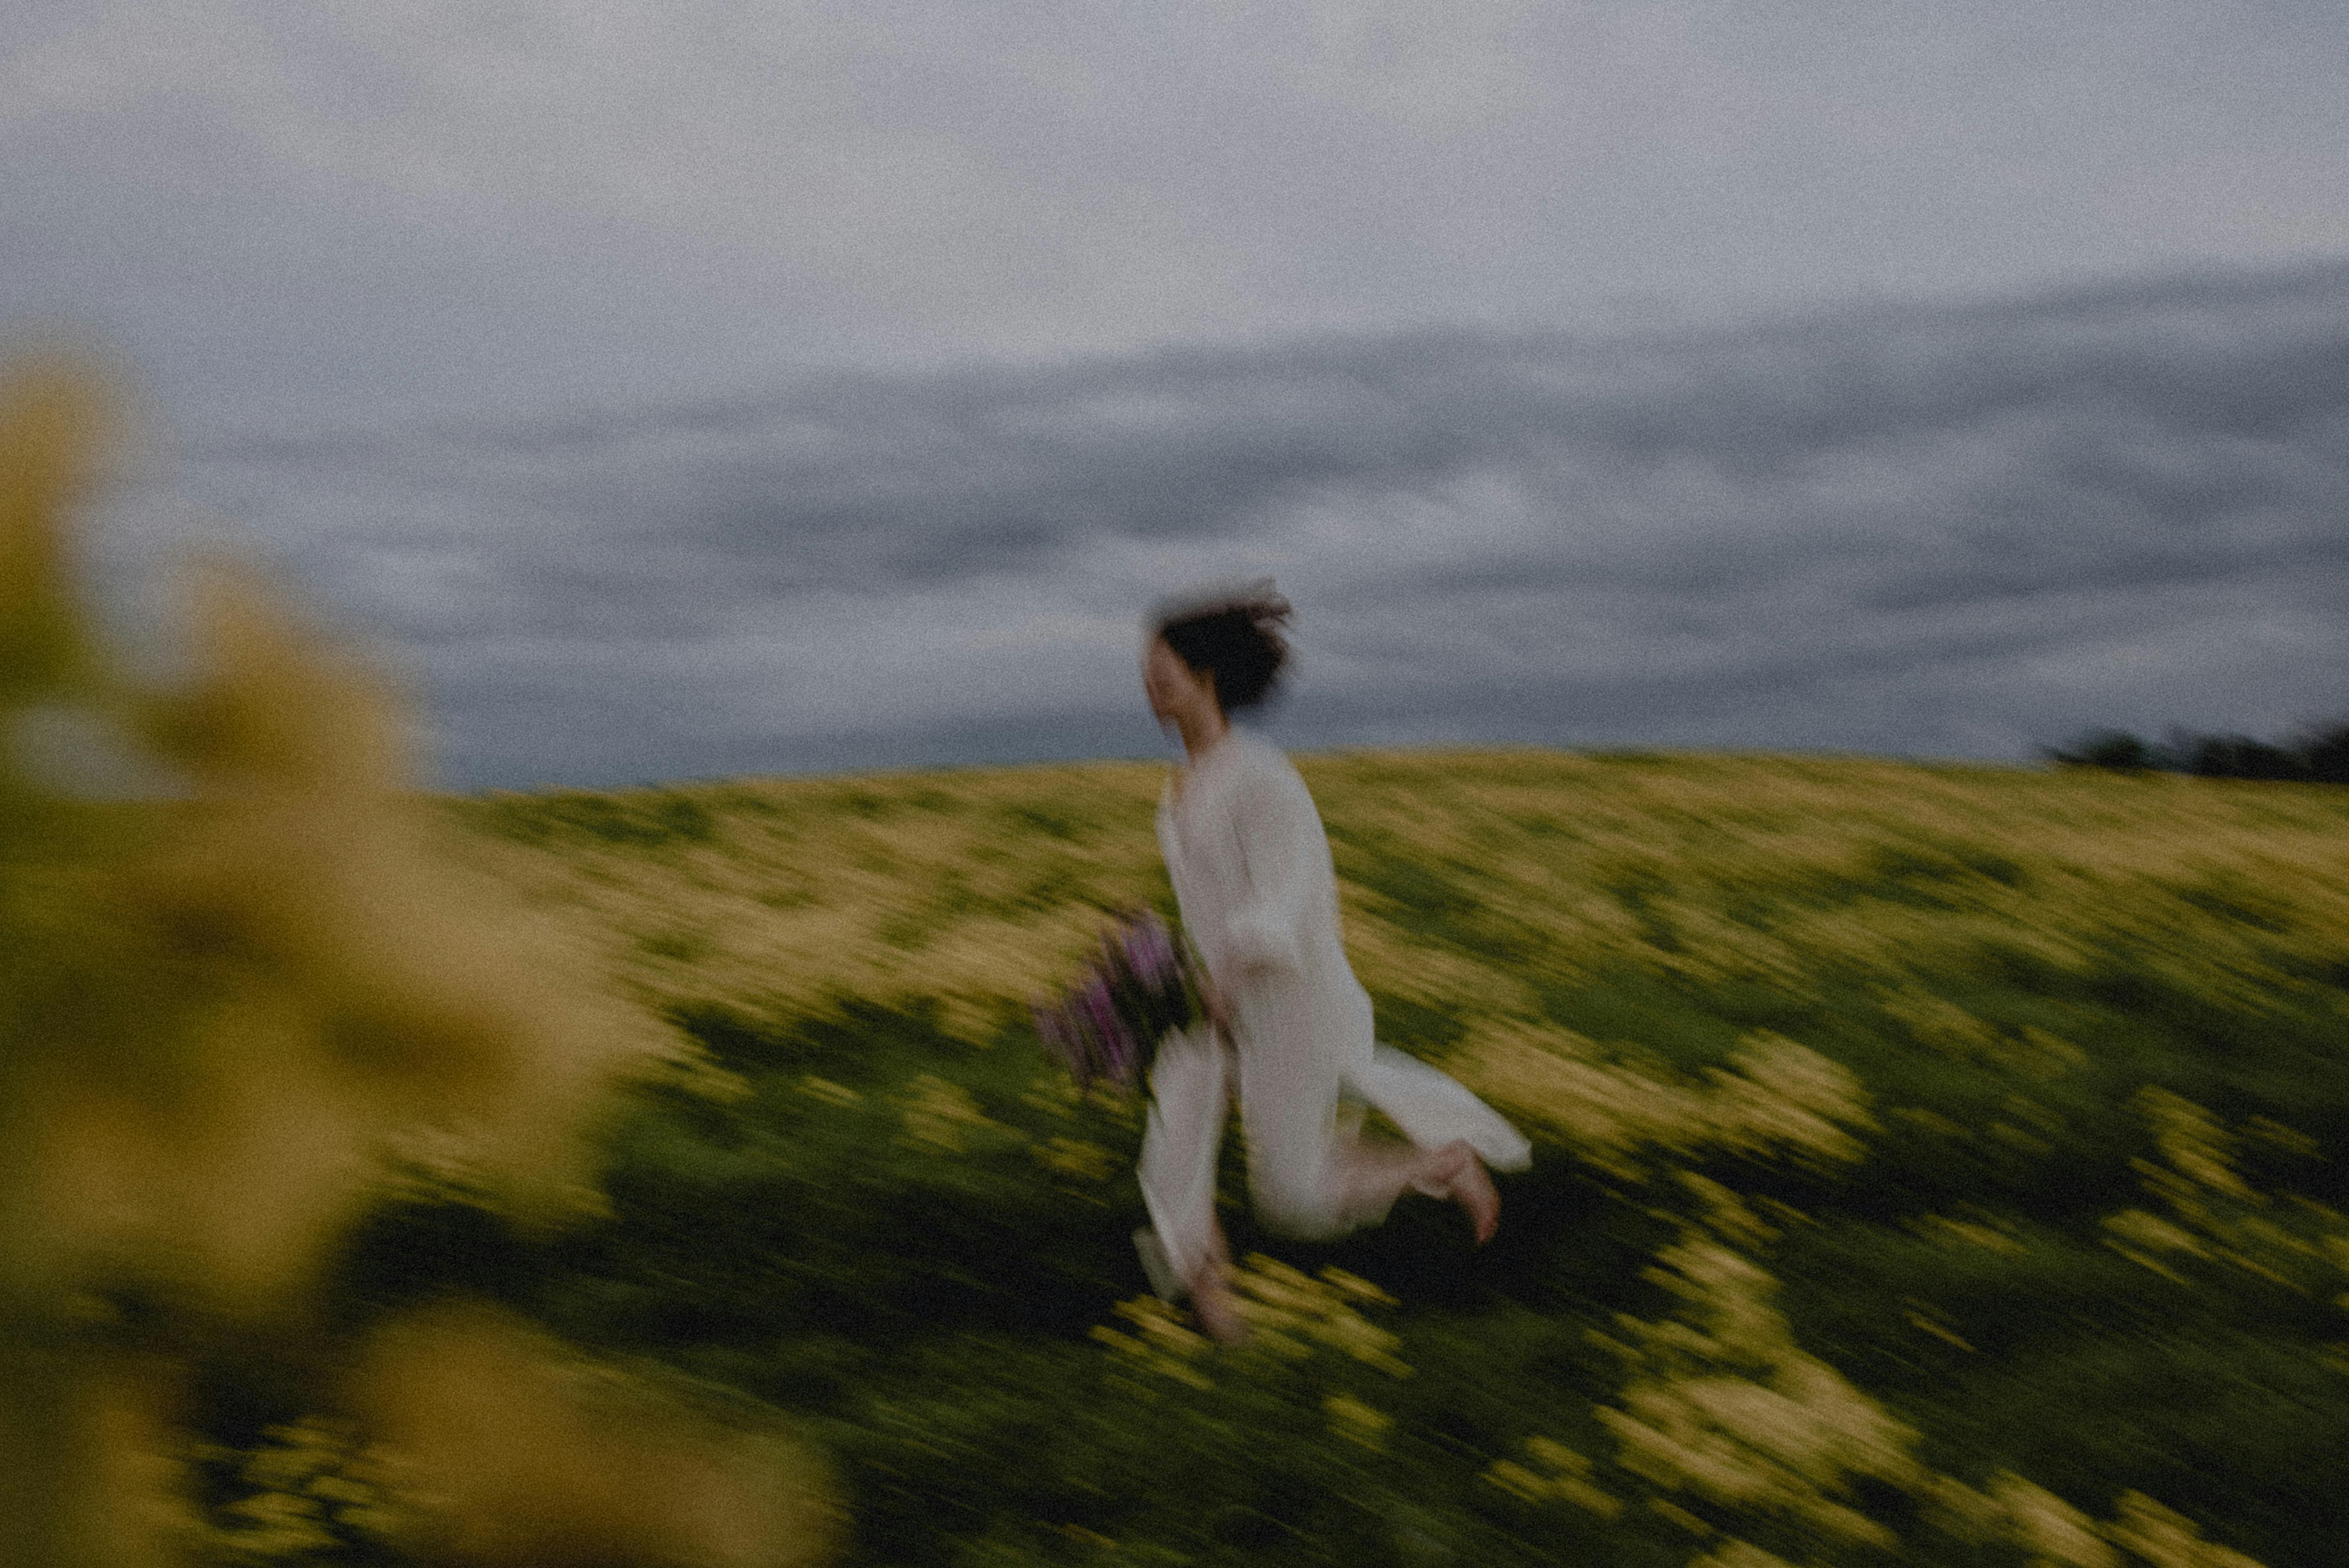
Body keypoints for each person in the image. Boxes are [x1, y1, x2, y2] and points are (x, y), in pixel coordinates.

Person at [1133, 579, 1533, 1344]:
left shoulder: (1259, 776)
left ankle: (1439, 1163)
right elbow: (1207, 903)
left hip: (1284, 999)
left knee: (1295, 1195)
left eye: (1163, 671)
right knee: (1173, 1139)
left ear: (1205, 676)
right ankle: (1213, 1309)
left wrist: (1235, 968)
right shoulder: (1180, 791)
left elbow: (1281, 893)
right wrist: (1156, 959)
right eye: (1144, 674)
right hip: (1216, 1001)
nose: (1150, 687)